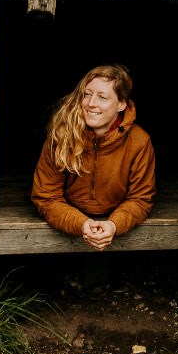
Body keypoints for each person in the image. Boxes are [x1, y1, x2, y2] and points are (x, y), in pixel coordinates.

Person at [30, 64, 155, 250]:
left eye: (102, 97)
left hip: (115, 214)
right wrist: (81, 223)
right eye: (87, 94)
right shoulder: (61, 135)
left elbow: (140, 199)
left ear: (121, 104)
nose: (90, 103)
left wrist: (114, 225)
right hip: (72, 212)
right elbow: (46, 197)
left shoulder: (139, 141)